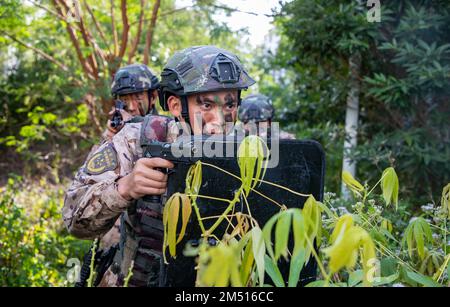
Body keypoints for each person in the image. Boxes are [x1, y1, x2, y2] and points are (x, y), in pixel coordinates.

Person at [63, 46, 255, 287]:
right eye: (206, 106)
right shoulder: (138, 140)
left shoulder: (249, 153)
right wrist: (125, 188)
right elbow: (74, 220)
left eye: (229, 105)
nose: (219, 120)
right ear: (176, 106)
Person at [92, 64, 160, 250]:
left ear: (152, 97)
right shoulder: (115, 132)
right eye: (124, 98)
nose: (130, 106)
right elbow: (90, 183)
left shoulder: (166, 131)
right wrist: (109, 138)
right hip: (116, 239)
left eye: (137, 97)